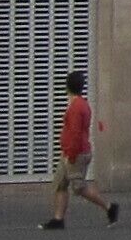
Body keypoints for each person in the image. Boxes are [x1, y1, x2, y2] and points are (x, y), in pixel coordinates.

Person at [45, 71, 117, 228]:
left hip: (75, 153)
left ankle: (109, 207)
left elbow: (76, 133)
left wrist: (70, 153)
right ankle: (58, 219)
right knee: (60, 184)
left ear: (67, 87)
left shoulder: (77, 107)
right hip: (71, 152)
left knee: (79, 187)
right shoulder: (80, 104)